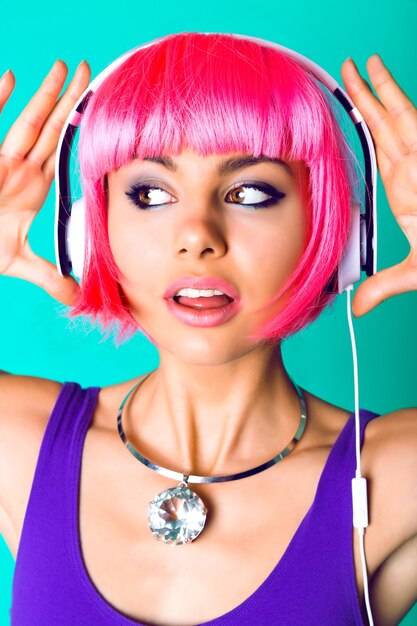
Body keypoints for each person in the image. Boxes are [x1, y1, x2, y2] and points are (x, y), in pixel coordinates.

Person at [0, 31, 416, 626]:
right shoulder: (19, 439)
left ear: (336, 231)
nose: (197, 234)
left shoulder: (391, 473)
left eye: (250, 192)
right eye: (149, 192)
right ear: (89, 234)